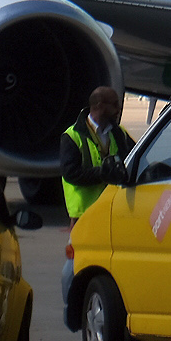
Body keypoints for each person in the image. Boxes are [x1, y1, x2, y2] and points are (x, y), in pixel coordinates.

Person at [60, 86, 134, 302]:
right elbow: (70, 173)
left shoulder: (118, 134)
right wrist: (103, 173)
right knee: (75, 267)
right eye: (114, 105)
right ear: (99, 106)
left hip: (114, 213)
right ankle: (72, 304)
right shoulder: (72, 137)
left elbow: (135, 158)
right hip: (85, 216)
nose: (118, 110)